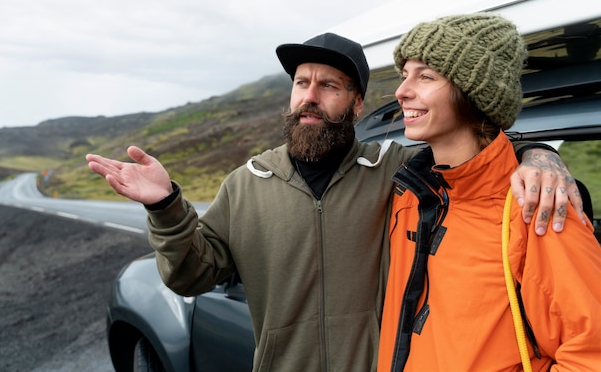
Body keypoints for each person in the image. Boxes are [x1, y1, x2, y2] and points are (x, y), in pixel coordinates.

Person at [86, 33, 582, 371]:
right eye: (302, 83)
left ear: (358, 102)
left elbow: (470, 154)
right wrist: (167, 205)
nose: (310, 96)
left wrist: (535, 154)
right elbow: (190, 276)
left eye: (329, 86)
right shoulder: (246, 183)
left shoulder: (397, 171)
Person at [377, 13, 601, 371]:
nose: (402, 91)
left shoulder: (537, 206)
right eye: (405, 75)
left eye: (426, 76)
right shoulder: (411, 192)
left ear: (473, 92)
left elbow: (592, 354)